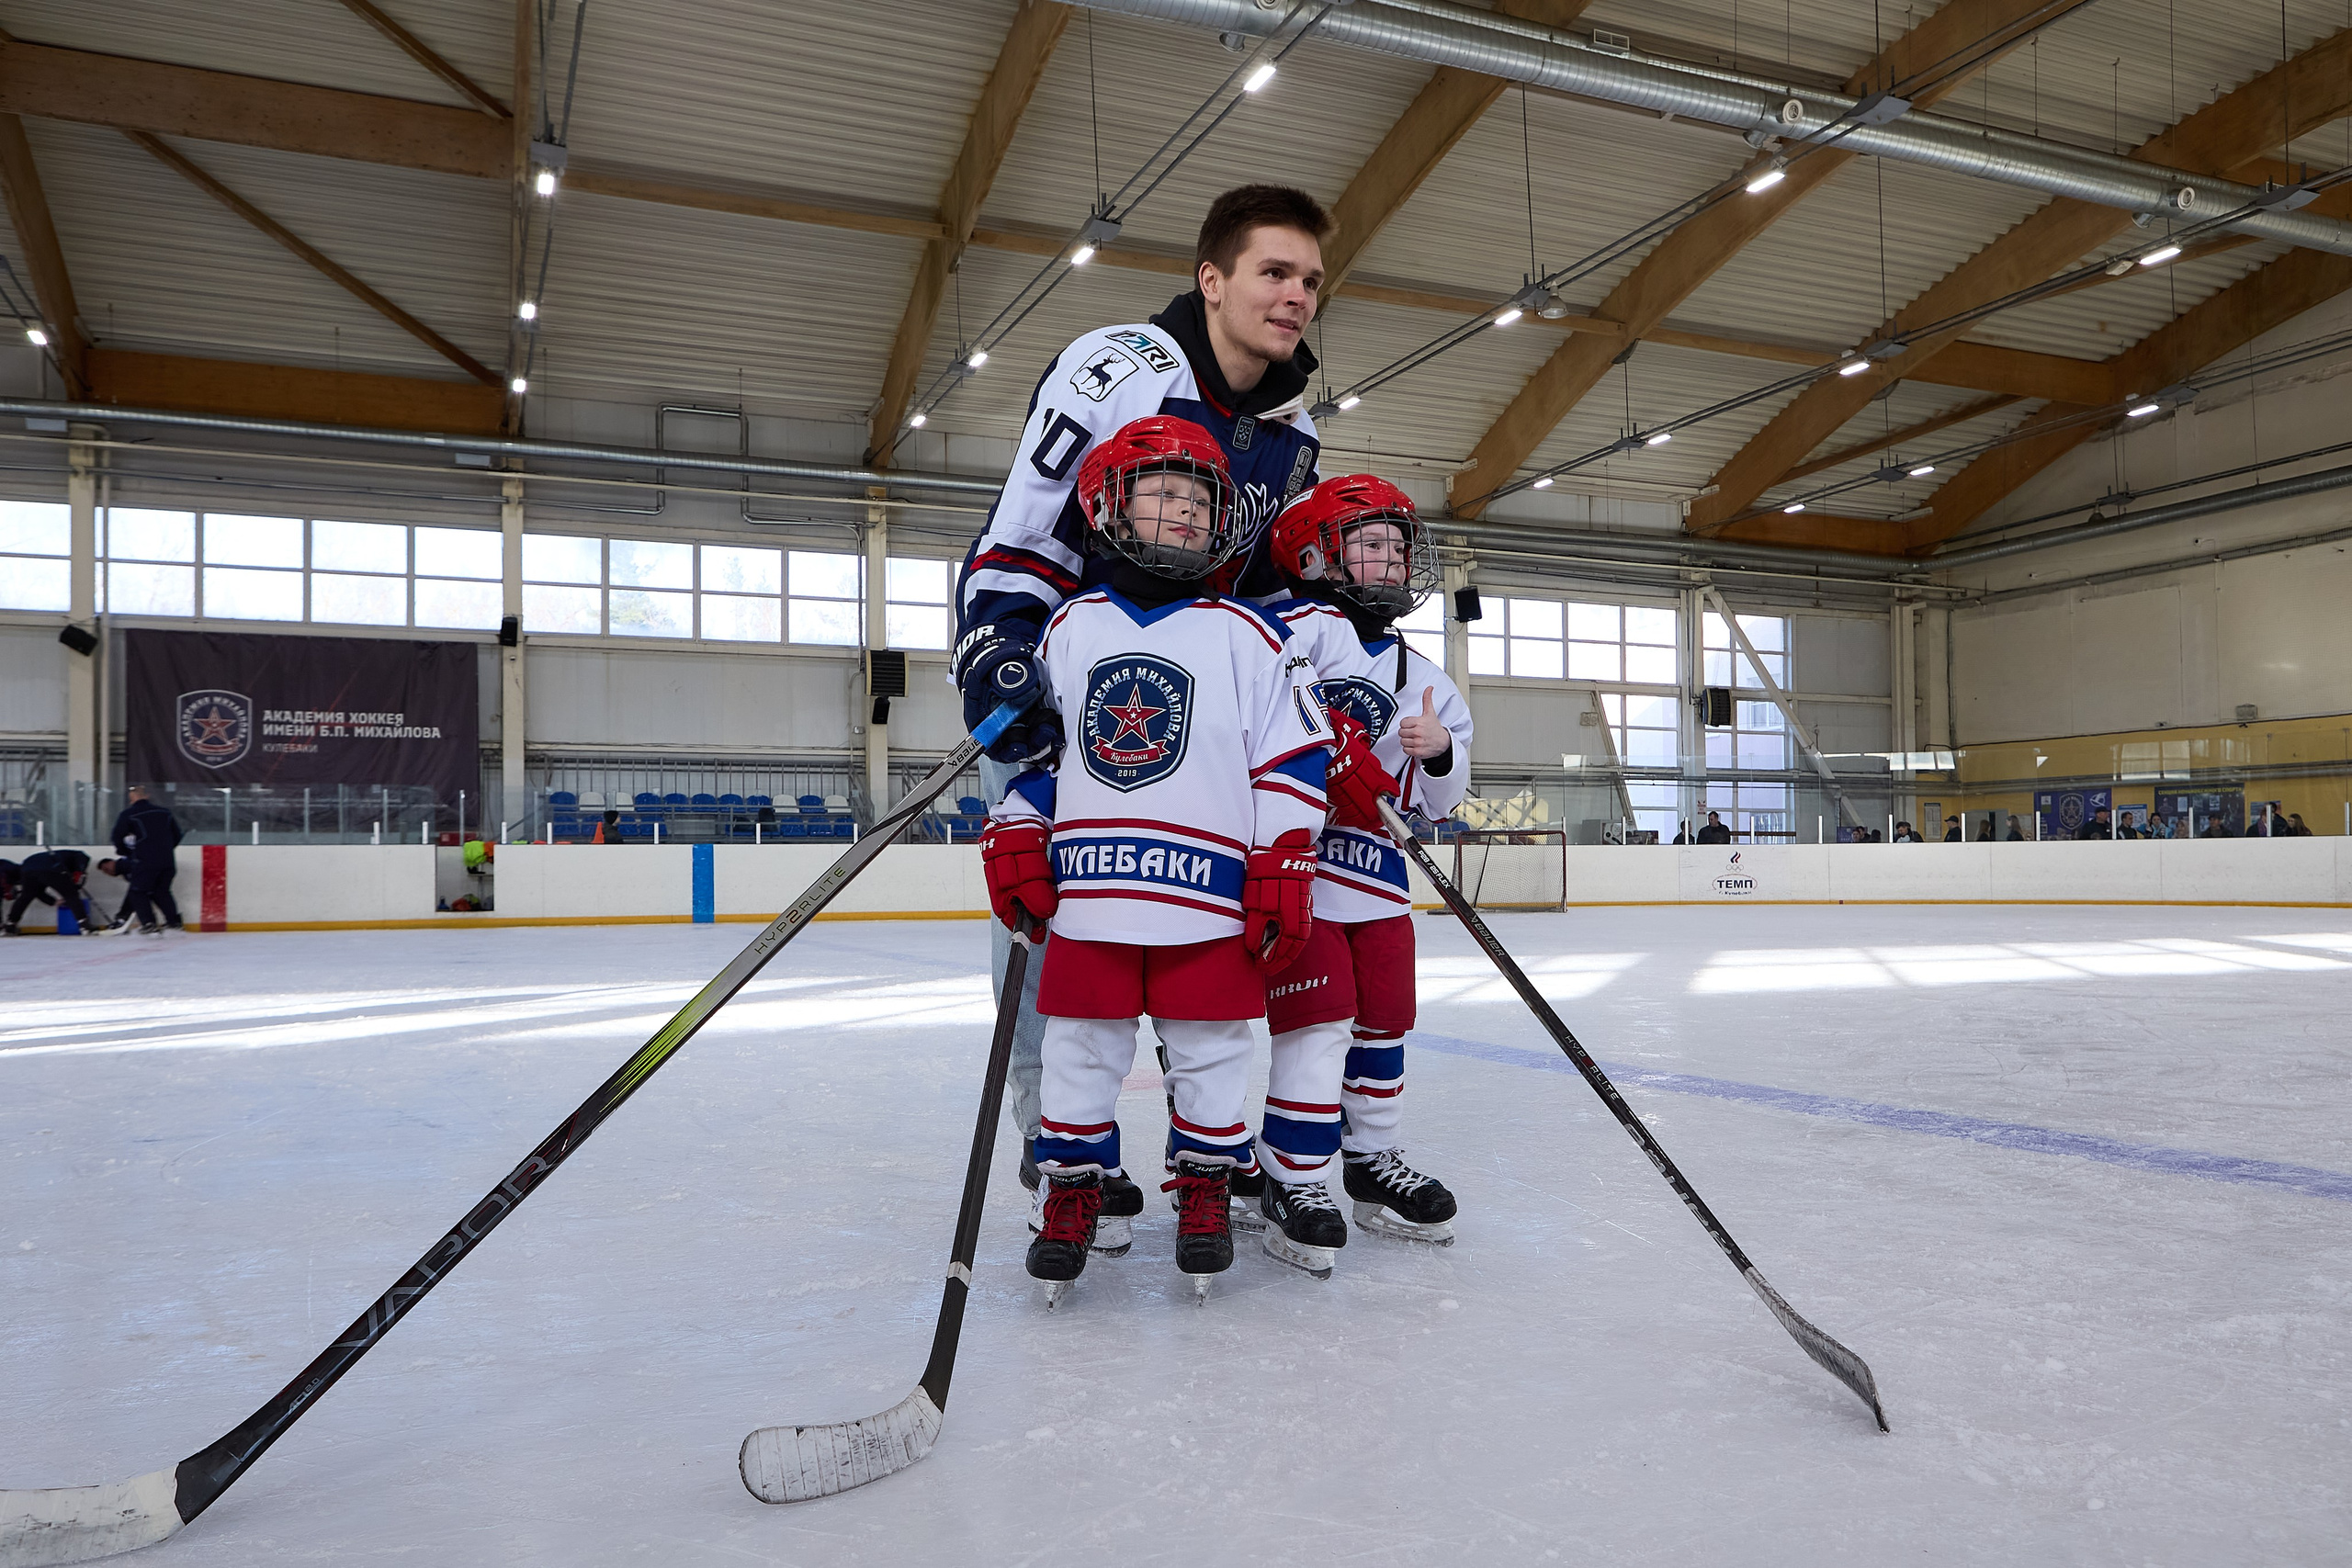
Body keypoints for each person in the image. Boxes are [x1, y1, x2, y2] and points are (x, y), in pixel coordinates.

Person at [953, 184, 1332, 1175]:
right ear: (1212, 280)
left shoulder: (1297, 426)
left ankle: (1205, 1141)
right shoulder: (1117, 367)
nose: (1296, 297)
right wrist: (1002, 657)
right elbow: (1024, 533)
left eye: (1311, 282)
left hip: (1197, 706)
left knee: (1201, 912)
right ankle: (1053, 1131)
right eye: (1274, 273)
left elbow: (1254, 589)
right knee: (1051, 909)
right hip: (1072, 683)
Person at [978, 416, 1332, 1304]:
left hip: (1207, 896)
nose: (1179, 513)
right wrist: (1020, 824)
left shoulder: (1250, 636)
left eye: (1197, 499)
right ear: (1109, 507)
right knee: (1079, 1049)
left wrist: (1283, 855)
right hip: (1092, 892)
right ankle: (1073, 1187)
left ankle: (1207, 1182)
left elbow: (1291, 757)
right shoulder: (1067, 628)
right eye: (1159, 494)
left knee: (1213, 1048)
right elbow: (1042, 759)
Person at [1259, 473, 1475, 1269]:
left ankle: (1369, 1157)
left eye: (1396, 547)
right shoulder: (1291, 627)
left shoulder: (1424, 674)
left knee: (1384, 1023)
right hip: (1298, 873)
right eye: (1370, 545)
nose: (1389, 561)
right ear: (1317, 554)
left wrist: (1440, 756)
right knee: (1318, 1028)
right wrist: (1327, 743)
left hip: (1378, 878)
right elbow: (1262, 700)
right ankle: (1293, 1174)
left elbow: (1437, 802)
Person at [107, 784, 184, 934]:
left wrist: (128, 853)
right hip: (167, 860)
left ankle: (149, 924)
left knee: (138, 892)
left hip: (145, 860)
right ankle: (174, 923)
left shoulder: (129, 814)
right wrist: (165, 850)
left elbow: (117, 837)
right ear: (147, 796)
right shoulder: (165, 813)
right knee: (162, 891)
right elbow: (177, 835)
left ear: (132, 798)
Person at [3, 848, 106, 935]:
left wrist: (53, 901)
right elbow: (82, 857)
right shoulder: (78, 855)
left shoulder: (60, 856)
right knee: (71, 894)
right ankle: (84, 925)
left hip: (27, 868)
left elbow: (37, 892)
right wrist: (80, 872)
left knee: (26, 896)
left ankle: (10, 924)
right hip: (52, 867)